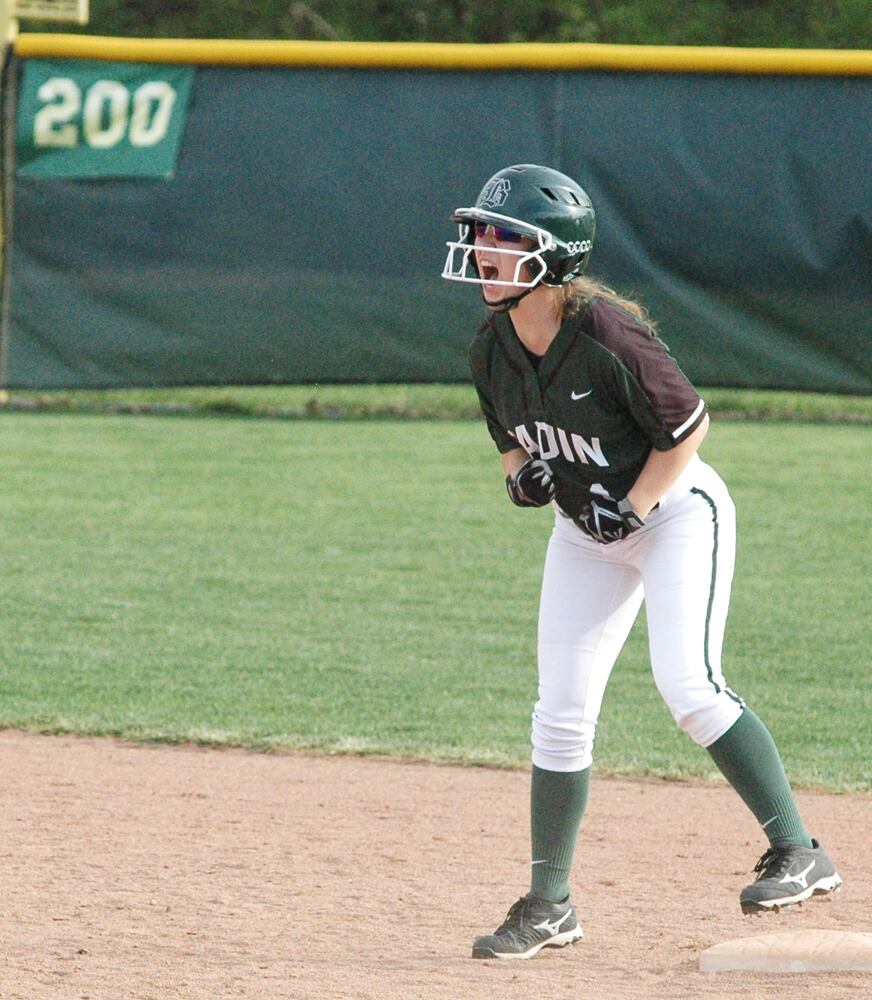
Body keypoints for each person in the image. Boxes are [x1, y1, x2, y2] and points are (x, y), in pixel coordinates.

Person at [441, 163, 842, 961]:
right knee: (559, 712)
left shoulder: (609, 336)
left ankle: (800, 851)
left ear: (553, 256)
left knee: (688, 686)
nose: (484, 248)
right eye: (481, 233)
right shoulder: (493, 348)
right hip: (584, 532)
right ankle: (549, 906)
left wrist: (633, 507)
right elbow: (512, 445)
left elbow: (687, 430)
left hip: (676, 515)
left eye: (504, 236)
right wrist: (526, 479)